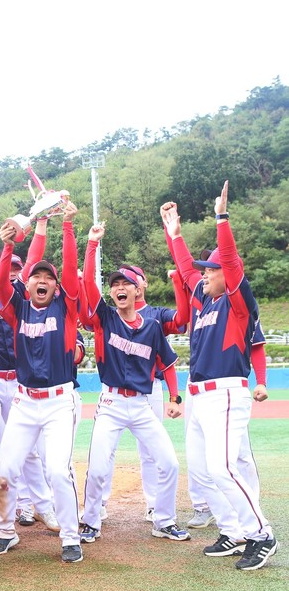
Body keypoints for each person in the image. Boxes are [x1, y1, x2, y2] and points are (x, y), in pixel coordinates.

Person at [160, 182, 278, 571]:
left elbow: (228, 259)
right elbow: (185, 269)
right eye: (206, 270)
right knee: (203, 470)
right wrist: (174, 234)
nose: (205, 274)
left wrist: (221, 218)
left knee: (224, 467)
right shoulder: (205, 301)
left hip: (226, 393)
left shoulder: (236, 302)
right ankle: (233, 530)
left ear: (227, 274)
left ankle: (261, 534)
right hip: (199, 395)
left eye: (211, 270)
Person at [79, 223, 188, 545]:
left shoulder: (152, 326)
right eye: (115, 285)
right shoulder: (106, 318)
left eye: (125, 283)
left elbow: (167, 363)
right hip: (111, 403)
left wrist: (175, 398)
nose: (119, 288)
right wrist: (92, 244)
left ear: (137, 290)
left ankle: (163, 520)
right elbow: (87, 282)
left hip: (141, 405)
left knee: (169, 463)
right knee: (98, 468)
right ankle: (90, 521)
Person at [0, 202, 84, 564]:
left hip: (59, 401)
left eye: (48, 278)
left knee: (57, 470)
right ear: (26, 284)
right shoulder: (18, 308)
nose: (42, 281)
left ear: (56, 287)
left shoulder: (66, 307)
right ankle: (4, 531)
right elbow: (1, 282)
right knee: (5, 471)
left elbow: (71, 269)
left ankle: (70, 537)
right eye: (36, 277)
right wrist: (8, 245)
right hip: (25, 401)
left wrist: (68, 226)